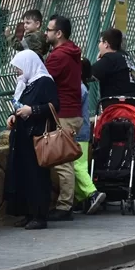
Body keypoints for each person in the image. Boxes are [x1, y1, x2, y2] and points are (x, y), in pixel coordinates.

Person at [94, 27, 135, 204]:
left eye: (100, 42)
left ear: (106, 43)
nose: (99, 45)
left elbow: (91, 73)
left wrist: (98, 60)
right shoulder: (126, 57)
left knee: (114, 145)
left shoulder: (110, 58)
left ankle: (114, 187)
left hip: (118, 109)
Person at [4, 49, 60, 230]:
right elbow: (21, 104)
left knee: (37, 176)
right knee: (24, 175)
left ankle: (39, 215)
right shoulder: (26, 84)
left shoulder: (44, 82)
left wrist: (32, 111)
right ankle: (28, 213)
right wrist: (14, 116)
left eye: (19, 68)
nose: (18, 72)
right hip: (23, 137)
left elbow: (53, 106)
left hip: (37, 136)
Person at [43, 14, 85, 221]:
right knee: (65, 160)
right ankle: (70, 200)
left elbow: (43, 80)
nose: (45, 33)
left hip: (64, 114)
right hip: (72, 112)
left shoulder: (59, 56)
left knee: (62, 163)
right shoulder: (72, 52)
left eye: (49, 30)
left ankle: (65, 205)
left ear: (58, 33)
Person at [72, 60, 106, 214]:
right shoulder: (82, 87)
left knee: (77, 166)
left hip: (79, 132)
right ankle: (81, 199)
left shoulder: (78, 88)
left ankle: (92, 193)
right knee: (78, 165)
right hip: (83, 131)